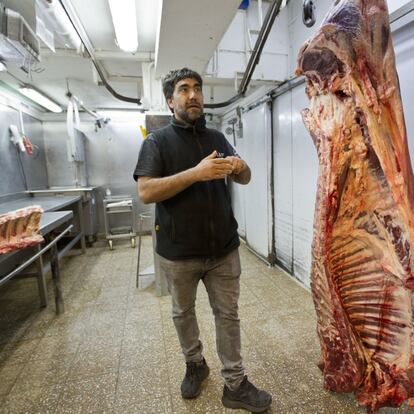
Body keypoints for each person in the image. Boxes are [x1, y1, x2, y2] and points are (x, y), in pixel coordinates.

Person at [133, 67, 272, 413]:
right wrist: (196, 174)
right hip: (179, 254)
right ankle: (195, 364)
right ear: (170, 100)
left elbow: (246, 177)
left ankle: (236, 384)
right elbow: (146, 191)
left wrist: (239, 168)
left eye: (197, 88)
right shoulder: (156, 142)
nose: (193, 95)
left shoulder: (217, 138)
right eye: (183, 89)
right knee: (183, 313)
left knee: (228, 315)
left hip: (223, 250)